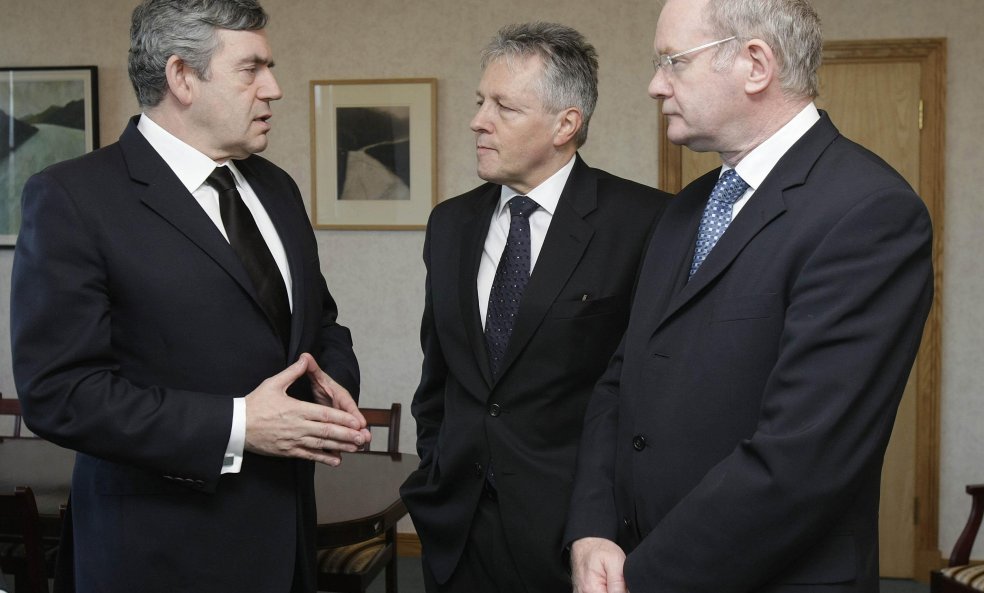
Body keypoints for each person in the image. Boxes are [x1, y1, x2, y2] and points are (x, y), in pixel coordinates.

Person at [565, 1, 935, 592]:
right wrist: (591, 528)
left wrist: (646, 576)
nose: (655, 85)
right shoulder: (687, 208)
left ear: (755, 64)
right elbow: (621, 377)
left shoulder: (868, 212)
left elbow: (804, 458)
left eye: (672, 62)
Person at [9, 1, 371, 591]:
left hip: (287, 544)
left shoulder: (276, 187)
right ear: (182, 77)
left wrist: (331, 390)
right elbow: (59, 393)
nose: (274, 89)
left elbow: (320, 323)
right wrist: (239, 424)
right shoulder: (73, 199)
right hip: (157, 555)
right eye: (251, 69)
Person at [399, 21, 670, 593]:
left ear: (565, 124)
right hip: (457, 527)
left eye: (504, 106)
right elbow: (439, 374)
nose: (478, 120)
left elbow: (646, 394)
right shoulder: (450, 224)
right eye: (479, 102)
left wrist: (604, 524)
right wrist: (434, 465)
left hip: (575, 535)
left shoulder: (644, 223)